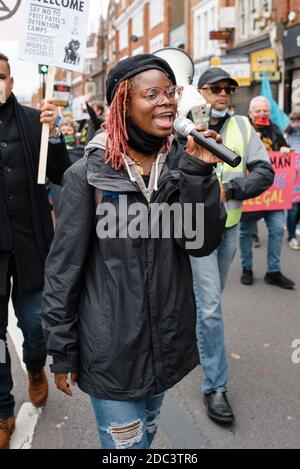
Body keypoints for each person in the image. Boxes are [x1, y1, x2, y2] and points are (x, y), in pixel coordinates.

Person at [42, 54, 227, 450]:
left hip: (165, 345)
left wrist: (198, 174)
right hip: (111, 354)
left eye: (170, 92)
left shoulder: (182, 164)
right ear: (122, 104)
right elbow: (63, 271)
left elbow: (200, 242)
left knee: (148, 435)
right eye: (152, 94)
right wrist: (61, 351)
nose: (166, 102)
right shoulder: (87, 177)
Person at [190, 68, 274, 425]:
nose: (223, 94)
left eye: (228, 89)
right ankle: (215, 385)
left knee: (210, 302)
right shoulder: (183, 125)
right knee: (209, 307)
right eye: (215, 89)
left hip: (229, 228)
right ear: (200, 92)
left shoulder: (242, 127)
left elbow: (265, 171)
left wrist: (233, 189)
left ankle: (198, 341)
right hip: (193, 231)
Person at [0, 53, 70, 449]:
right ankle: (2, 409)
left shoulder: (33, 121)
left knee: (37, 327)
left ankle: (35, 369)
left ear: (11, 81)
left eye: (1, 76)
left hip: (31, 245)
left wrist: (54, 135)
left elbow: (61, 173)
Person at [240, 96, 296, 287]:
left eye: (265, 111)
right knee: (245, 232)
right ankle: (246, 268)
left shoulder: (274, 130)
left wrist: (285, 150)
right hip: (251, 195)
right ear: (250, 113)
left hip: (273, 195)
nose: (262, 114)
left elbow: (284, 149)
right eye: (258, 111)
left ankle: (273, 271)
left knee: (278, 229)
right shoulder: (242, 130)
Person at [286, 112, 300, 250]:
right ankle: (291, 236)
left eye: (298, 121)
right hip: (293, 180)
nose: (296, 124)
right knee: (293, 210)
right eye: (293, 121)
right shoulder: (286, 137)